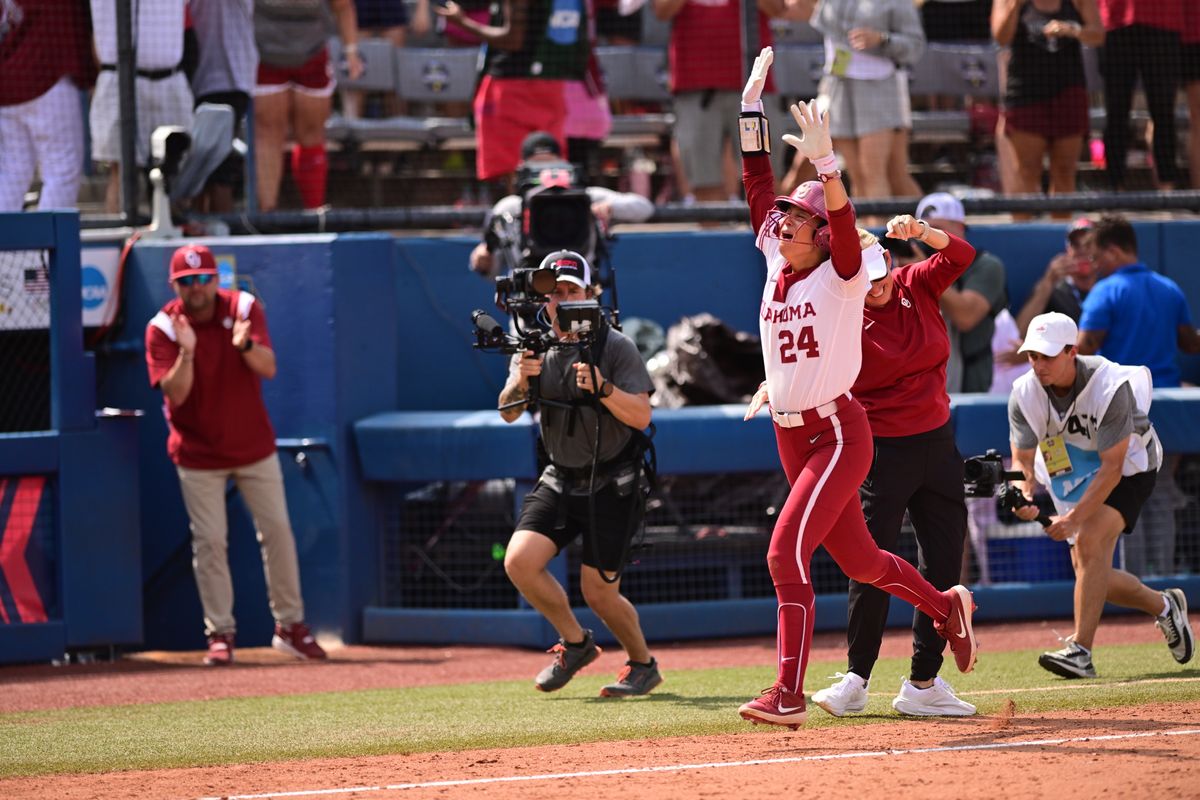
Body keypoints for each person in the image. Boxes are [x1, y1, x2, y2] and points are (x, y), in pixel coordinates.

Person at [736, 47, 977, 729]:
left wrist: (827, 166)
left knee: (786, 552)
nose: (782, 224)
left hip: (839, 431)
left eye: (796, 219)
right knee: (865, 561)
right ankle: (942, 606)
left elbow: (844, 228)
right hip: (791, 429)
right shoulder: (774, 254)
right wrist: (750, 108)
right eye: (783, 219)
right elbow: (756, 179)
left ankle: (787, 693)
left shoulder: (842, 271)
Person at [808, 208, 980, 719]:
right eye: (866, 281)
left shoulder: (914, 282)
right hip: (880, 450)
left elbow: (961, 255)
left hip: (939, 443)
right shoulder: (839, 312)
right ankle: (857, 679)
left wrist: (923, 233)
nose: (876, 288)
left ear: (887, 261)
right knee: (871, 562)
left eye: (880, 275)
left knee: (944, 564)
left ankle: (924, 682)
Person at [144, 244, 327, 666]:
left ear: (215, 280)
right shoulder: (164, 328)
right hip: (196, 452)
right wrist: (188, 350)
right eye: (187, 282)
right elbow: (176, 392)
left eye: (204, 278)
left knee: (278, 530)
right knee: (209, 542)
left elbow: (268, 367)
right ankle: (220, 634)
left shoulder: (243, 307)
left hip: (252, 446)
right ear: (176, 286)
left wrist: (244, 346)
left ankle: (290, 627)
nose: (197, 288)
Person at [496, 250, 663, 697]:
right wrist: (521, 381)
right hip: (560, 475)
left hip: (613, 482)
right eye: (554, 293)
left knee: (600, 593)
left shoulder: (616, 346)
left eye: (572, 291)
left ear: (591, 295)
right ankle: (575, 643)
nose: (562, 300)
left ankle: (643, 664)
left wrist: (604, 389)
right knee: (518, 561)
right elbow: (508, 412)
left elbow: (642, 415)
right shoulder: (533, 343)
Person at [1008, 311, 1194, 677]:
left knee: (1090, 543)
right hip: (1072, 475)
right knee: (1090, 573)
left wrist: (1073, 520)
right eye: (1033, 355)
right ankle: (1165, 607)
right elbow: (1022, 462)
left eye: (1047, 356)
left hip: (1130, 467)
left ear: (1071, 352)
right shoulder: (1023, 393)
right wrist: (1022, 493)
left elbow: (1112, 468)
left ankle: (1081, 651)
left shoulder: (1108, 386)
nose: (1038, 364)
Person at [1078, 213, 1200, 576]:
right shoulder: (1168, 287)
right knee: (1160, 496)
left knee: (1126, 496)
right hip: (1167, 410)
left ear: (1114, 251)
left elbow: (1084, 346)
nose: (1095, 265)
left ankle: (1137, 590)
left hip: (1124, 407)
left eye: (1098, 256)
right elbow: (1190, 343)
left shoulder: (1106, 290)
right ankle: (1161, 585)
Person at [434, 0, 588, 185]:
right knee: (550, 172)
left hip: (512, 91)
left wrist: (462, 22)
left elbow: (513, 40)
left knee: (516, 175)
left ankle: (523, 213)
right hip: (550, 85)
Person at [469, 131, 654, 279]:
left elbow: (644, 208)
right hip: (529, 294)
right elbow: (490, 270)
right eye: (537, 166)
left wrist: (609, 208)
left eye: (550, 163)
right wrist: (482, 258)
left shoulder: (585, 198)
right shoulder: (510, 208)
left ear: (562, 163)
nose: (545, 172)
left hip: (580, 290)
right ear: (524, 168)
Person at [652, 0, 788, 201]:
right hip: (695, 86)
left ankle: (768, 233)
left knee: (767, 178)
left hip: (753, 86)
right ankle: (715, 232)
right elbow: (662, 11)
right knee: (704, 181)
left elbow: (777, 9)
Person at [800, 0, 926, 203]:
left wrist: (882, 39)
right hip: (839, 86)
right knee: (857, 176)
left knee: (877, 173)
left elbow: (915, 46)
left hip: (879, 87)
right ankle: (864, 233)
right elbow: (804, 12)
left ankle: (924, 230)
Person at [253, 0, 363, 212]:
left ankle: (315, 214)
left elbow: (343, 6)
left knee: (311, 132)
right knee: (268, 131)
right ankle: (266, 215)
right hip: (264, 54)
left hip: (312, 54)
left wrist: (351, 50)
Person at [991, 0, 1105, 201]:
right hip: (1026, 94)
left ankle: (1060, 231)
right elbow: (1001, 37)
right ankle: (1024, 232)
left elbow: (1098, 34)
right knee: (1027, 171)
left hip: (1068, 92)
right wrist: (1014, 6)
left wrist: (1073, 30)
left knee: (1064, 171)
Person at [89, 0, 195, 214]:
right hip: (118, 79)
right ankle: (119, 245)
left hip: (170, 78)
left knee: (175, 173)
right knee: (122, 173)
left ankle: (178, 245)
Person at [0, 0, 96, 212]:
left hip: (8, 84)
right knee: (62, 171)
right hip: (50, 85)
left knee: (12, 173)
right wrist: (90, 78)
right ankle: (46, 244)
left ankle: (7, 243)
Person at [916, 192, 1008, 393]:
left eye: (937, 230)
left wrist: (921, 272)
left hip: (970, 382)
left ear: (960, 227)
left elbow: (966, 317)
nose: (929, 239)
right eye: (923, 232)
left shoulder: (986, 266)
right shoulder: (912, 268)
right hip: (920, 379)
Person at [1095, 0, 1184, 190]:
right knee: (1116, 111)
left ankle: (1166, 188)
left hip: (1162, 23)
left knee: (1164, 112)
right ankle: (1114, 187)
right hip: (1116, 22)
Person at [189, 0, 257, 213]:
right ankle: (193, 236)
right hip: (190, 78)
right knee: (193, 169)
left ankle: (220, 233)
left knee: (220, 169)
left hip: (229, 78)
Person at [1014, 217, 1097, 337]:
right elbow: (1020, 335)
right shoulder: (1054, 291)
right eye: (1076, 244)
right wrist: (1048, 281)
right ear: (1068, 250)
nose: (1082, 250)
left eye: (1088, 244)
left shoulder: (1109, 288)